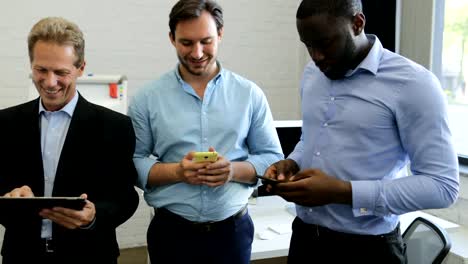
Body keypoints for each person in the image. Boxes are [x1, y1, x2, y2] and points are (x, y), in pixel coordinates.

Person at [263, 0, 460, 263]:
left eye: (325, 43)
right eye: (308, 45)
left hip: (368, 250)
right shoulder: (312, 74)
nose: (316, 56)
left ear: (358, 23)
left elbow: (443, 186)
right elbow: (311, 139)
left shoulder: (415, 85)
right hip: (305, 240)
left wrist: (343, 192)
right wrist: (292, 162)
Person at [128, 0, 283, 263]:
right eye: (186, 43)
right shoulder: (146, 99)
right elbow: (133, 162)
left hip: (232, 235)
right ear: (172, 39)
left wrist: (232, 170)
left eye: (206, 41)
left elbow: (272, 159)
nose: (197, 53)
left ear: (220, 35)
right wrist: (177, 172)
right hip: (171, 235)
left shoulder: (249, 94)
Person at [0, 17, 139, 264]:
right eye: (41, 70)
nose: (50, 82)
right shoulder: (5, 123)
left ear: (80, 68)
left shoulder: (115, 126)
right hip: (22, 255)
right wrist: (9, 198)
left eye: (61, 72)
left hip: (90, 255)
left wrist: (95, 215)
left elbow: (125, 197)